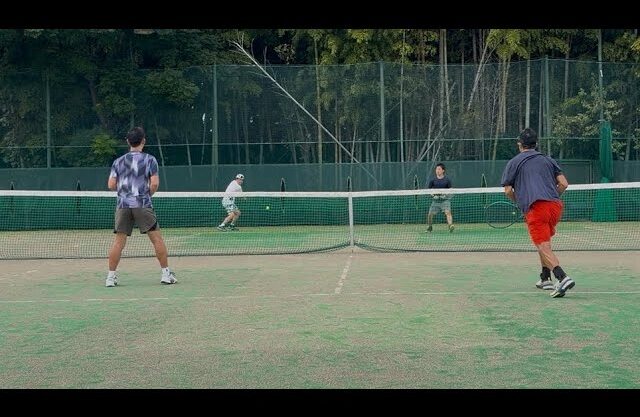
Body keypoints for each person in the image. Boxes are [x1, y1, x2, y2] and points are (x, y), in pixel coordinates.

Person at [501, 128, 574, 298]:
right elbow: (563, 184)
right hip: (555, 206)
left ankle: (562, 277)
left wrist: (520, 202)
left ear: (520, 144)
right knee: (545, 241)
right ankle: (545, 277)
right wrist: (552, 197)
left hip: (536, 208)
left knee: (542, 245)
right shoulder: (548, 160)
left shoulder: (514, 162)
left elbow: (508, 190)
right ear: (536, 144)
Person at [105, 126, 177, 287]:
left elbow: (111, 184)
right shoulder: (150, 160)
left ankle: (110, 277)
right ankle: (166, 274)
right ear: (143, 141)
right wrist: (146, 195)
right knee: (156, 239)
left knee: (118, 242)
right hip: (142, 203)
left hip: (123, 205)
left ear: (128, 141)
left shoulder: (118, 162)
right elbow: (155, 183)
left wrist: (125, 192)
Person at [426, 163, 454, 233]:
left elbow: (451, 191)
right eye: (436, 169)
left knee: (448, 212)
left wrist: (445, 195)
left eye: (439, 169)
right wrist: (433, 196)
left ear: (443, 170)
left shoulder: (447, 180)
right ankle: (430, 227)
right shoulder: (432, 180)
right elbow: (429, 191)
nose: (437, 171)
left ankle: (450, 226)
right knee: (430, 215)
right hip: (435, 201)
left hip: (445, 200)